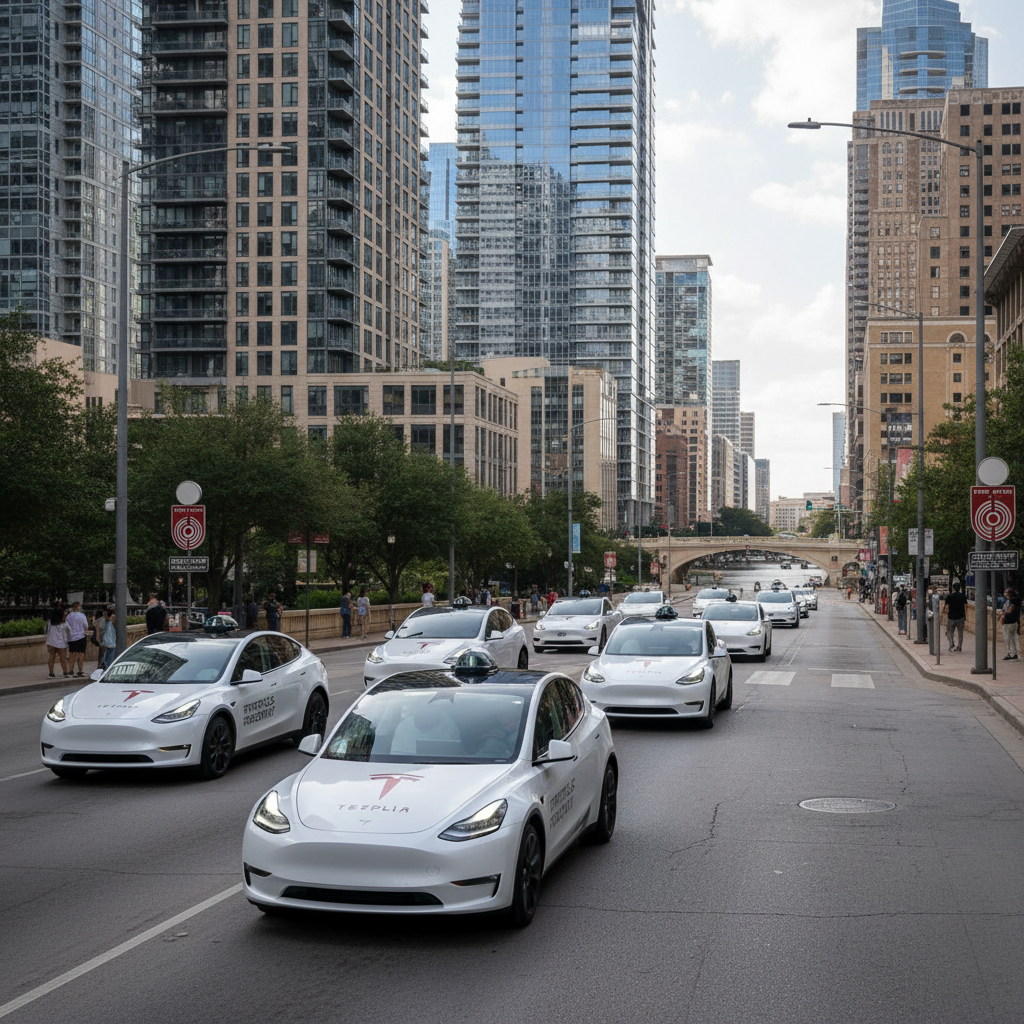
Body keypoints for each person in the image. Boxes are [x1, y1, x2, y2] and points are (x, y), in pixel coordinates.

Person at [45, 606, 71, 678]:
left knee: (51, 658)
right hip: (61, 643)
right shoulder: (64, 623)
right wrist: (68, 639)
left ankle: (51, 673)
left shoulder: (50, 622)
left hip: (51, 642)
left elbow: (46, 630)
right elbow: (69, 631)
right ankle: (65, 672)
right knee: (63, 659)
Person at [65, 601, 89, 678]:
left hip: (72, 638)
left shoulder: (68, 616)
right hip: (81, 637)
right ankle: (80, 670)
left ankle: (70, 670)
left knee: (72, 654)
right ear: (78, 607)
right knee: (81, 654)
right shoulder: (82, 616)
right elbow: (86, 626)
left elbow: (67, 627)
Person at [944, 582, 967, 652]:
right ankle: (959, 646)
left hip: (951, 617)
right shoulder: (963, 596)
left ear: (953, 588)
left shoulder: (949, 596)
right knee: (960, 632)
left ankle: (951, 644)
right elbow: (966, 606)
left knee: (950, 631)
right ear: (959, 588)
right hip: (961, 616)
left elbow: (946, 606)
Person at [1000, 588, 1020, 661]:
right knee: (1013, 638)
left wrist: (1004, 615)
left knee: (1008, 638)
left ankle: (1010, 653)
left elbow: (1009, 611)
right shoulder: (1017, 600)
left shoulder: (1010, 602)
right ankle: (1014, 653)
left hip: (1008, 622)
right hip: (1014, 622)